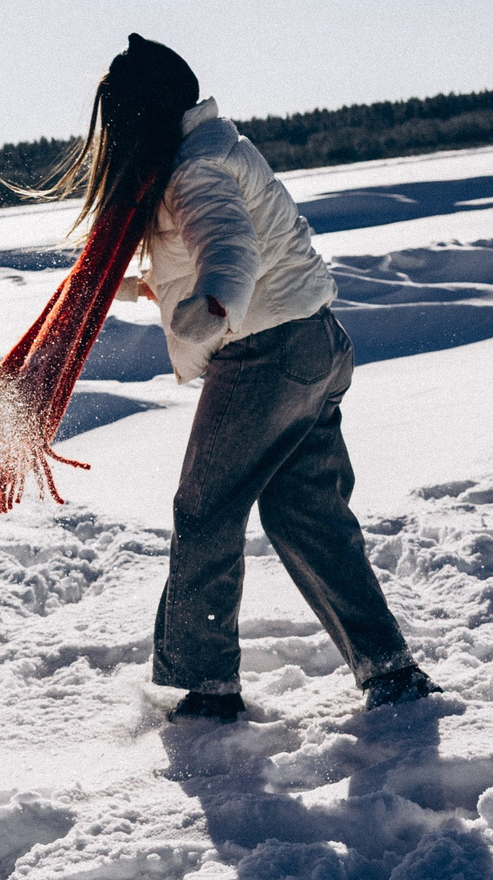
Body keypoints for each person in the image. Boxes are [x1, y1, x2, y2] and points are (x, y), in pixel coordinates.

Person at [51, 35, 432, 721]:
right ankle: (390, 669)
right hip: (314, 341)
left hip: (264, 356)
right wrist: (148, 290)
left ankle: (206, 687)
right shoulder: (212, 148)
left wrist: (215, 305)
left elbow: (231, 248)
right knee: (306, 512)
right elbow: (221, 243)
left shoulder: (193, 170)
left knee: (205, 508)